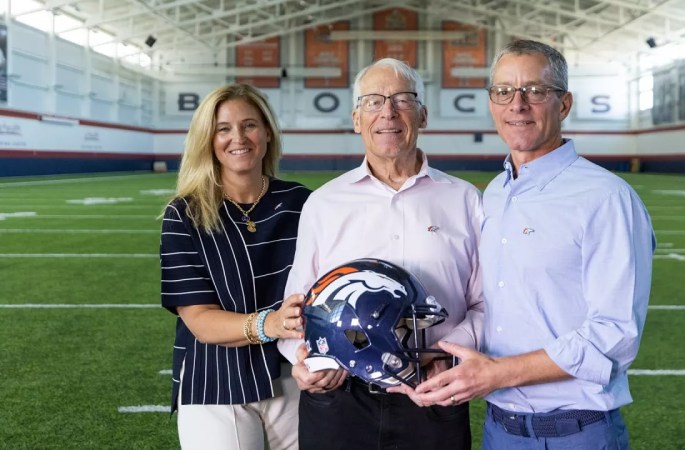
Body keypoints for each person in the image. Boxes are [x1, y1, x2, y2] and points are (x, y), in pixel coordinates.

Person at [411, 40, 656, 449]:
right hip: (500, 429)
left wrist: (499, 373)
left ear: (564, 104)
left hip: (576, 432)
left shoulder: (606, 197)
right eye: (504, 91)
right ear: (492, 103)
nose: (517, 104)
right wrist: (447, 355)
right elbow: (497, 306)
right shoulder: (495, 194)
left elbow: (615, 333)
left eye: (535, 91)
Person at [277, 57, 484, 450]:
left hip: (433, 392)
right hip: (339, 398)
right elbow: (299, 305)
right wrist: (301, 361)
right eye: (373, 101)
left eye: (402, 100)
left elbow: (485, 302)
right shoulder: (325, 203)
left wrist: (447, 353)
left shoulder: (465, 200)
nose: (387, 112)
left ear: (422, 115)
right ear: (357, 119)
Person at [160, 83, 310, 450]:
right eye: (223, 128)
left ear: (268, 132)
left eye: (249, 125)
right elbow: (199, 319)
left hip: (293, 372)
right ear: (207, 140)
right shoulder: (185, 214)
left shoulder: (303, 203)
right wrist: (271, 323)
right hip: (214, 380)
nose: (237, 137)